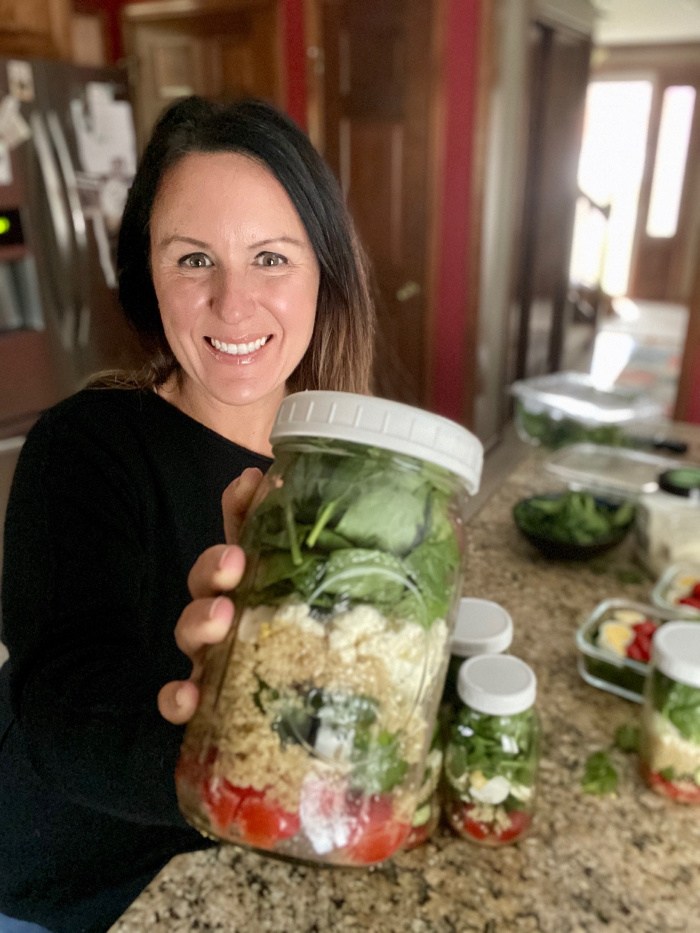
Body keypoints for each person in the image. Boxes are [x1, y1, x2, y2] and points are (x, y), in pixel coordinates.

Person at [0, 95, 375, 933]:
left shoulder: (345, 471)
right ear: (148, 274)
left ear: (324, 269)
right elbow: (59, 702)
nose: (234, 304)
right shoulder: (82, 449)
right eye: (195, 259)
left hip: (248, 862)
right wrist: (208, 723)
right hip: (70, 890)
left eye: (272, 257)